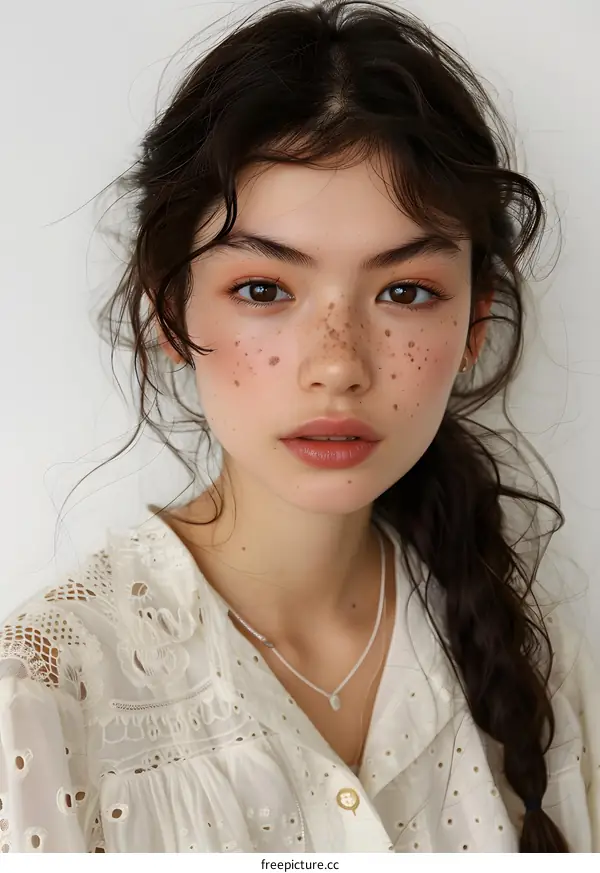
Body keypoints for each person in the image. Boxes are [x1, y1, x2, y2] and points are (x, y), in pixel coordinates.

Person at [0, 0, 597, 854]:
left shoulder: (541, 669)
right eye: (264, 290)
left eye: (405, 291)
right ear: (170, 311)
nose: (339, 363)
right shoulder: (41, 697)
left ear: (474, 324)